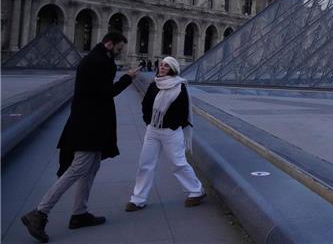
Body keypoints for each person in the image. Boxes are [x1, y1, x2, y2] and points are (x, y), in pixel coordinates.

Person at [21, 32, 140, 243]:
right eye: (119, 48)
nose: (120, 52)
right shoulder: (99, 62)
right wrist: (127, 78)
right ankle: (39, 213)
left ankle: (79, 213)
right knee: (77, 168)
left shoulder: (95, 59)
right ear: (109, 44)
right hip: (89, 126)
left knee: (92, 167)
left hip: (90, 124)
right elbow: (107, 92)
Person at [125, 56, 205, 212]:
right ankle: (138, 199)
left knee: (178, 163)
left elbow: (183, 111)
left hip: (171, 131)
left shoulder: (179, 86)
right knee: (145, 164)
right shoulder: (154, 84)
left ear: (172, 69)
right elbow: (146, 104)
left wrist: (172, 124)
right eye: (161, 65)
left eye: (166, 65)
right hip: (153, 129)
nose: (162, 67)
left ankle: (197, 191)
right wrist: (148, 120)